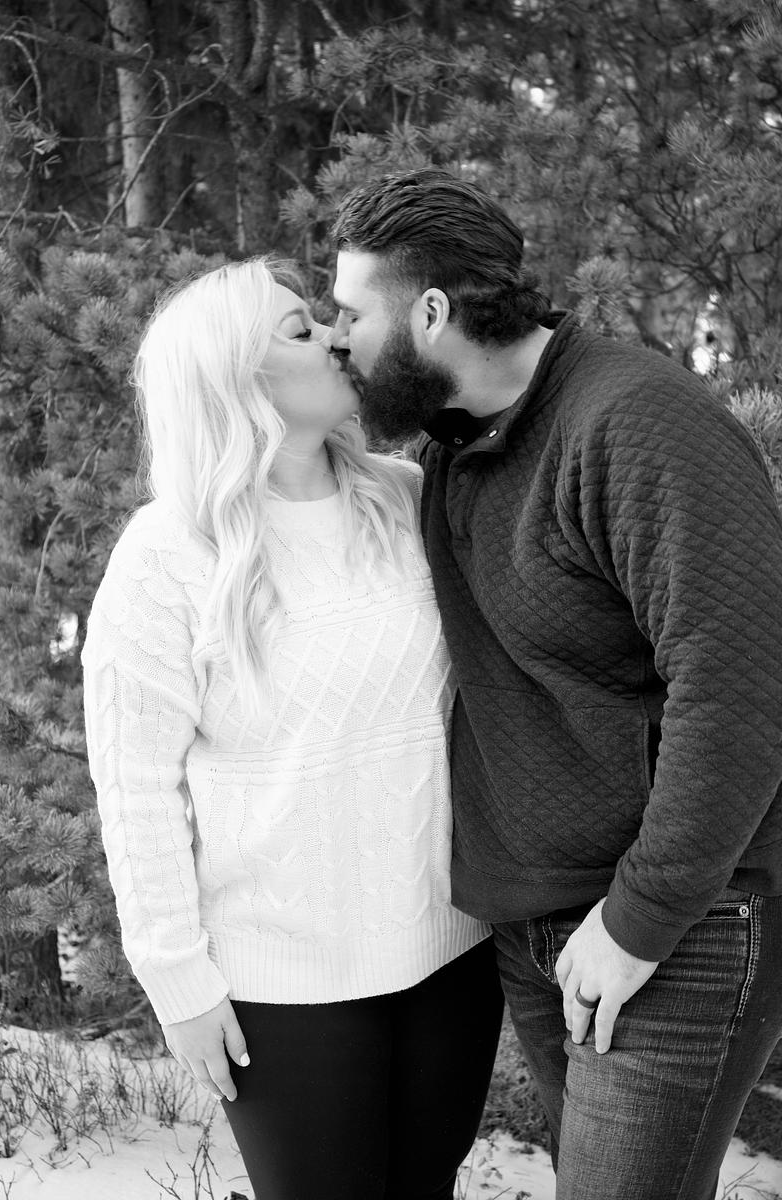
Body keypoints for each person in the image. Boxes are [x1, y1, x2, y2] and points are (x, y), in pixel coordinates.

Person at [329, 168, 782, 1200]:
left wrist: (638, 920)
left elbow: (740, 689)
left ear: (430, 314)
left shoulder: (635, 421)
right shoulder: (454, 445)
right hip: (540, 926)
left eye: (352, 313)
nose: (339, 337)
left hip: (679, 921)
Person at [81, 257, 503, 1200]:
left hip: (449, 952)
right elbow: (137, 786)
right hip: (283, 983)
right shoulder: (166, 556)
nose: (338, 337)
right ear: (236, 377)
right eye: (300, 330)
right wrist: (176, 981)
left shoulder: (408, 497)